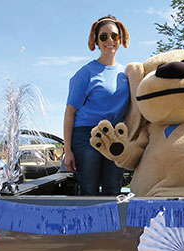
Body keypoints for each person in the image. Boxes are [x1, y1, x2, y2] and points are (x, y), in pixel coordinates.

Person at [63, 15, 130, 196]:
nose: (110, 40)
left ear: (121, 39)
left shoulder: (127, 73)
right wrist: (67, 151)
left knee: (113, 191)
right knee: (89, 192)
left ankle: (113, 226)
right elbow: (70, 112)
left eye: (114, 36)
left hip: (115, 136)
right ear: (96, 41)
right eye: (104, 36)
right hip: (86, 136)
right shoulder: (85, 73)